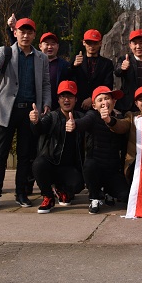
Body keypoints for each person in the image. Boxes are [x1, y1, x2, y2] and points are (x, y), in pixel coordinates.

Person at [0, 17, 51, 212]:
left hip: (30, 111)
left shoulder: (41, 58)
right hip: (7, 109)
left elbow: (46, 83)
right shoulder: (6, 51)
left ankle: (21, 193)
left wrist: (46, 103)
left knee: (25, 155)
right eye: (22, 32)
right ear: (15, 33)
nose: (25, 35)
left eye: (29, 32)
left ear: (34, 35)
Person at [66, 86, 130, 214]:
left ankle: (108, 192)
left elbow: (123, 129)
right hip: (95, 168)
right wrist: (74, 124)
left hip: (112, 170)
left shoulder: (120, 118)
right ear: (94, 106)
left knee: (125, 195)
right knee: (89, 165)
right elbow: (83, 122)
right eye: (100, 100)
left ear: (114, 102)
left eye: (107, 98)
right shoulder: (92, 116)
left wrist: (109, 120)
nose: (104, 102)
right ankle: (94, 197)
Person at [29, 81, 85, 214]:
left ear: (76, 99)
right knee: (38, 164)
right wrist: (35, 121)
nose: (66, 100)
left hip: (69, 167)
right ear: (58, 100)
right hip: (51, 163)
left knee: (78, 184)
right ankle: (48, 196)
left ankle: (61, 190)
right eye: (63, 96)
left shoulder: (81, 118)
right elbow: (39, 129)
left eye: (70, 96)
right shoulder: (51, 116)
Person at [114, 29, 142, 114]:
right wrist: (122, 68)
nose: (138, 46)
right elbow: (117, 72)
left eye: (141, 42)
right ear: (130, 45)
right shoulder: (125, 60)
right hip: (128, 107)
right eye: (135, 43)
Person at [72, 29, 114, 112]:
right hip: (78, 105)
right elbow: (69, 79)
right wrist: (74, 66)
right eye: (89, 43)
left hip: (99, 105)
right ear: (84, 43)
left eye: (95, 43)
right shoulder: (76, 60)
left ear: (100, 43)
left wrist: (92, 98)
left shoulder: (107, 63)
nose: (92, 46)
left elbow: (107, 85)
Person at [39, 32, 72, 111]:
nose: (50, 47)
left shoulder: (65, 66)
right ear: (40, 46)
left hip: (58, 107)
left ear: (58, 46)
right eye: (47, 44)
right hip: (38, 105)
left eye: (53, 44)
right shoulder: (35, 63)